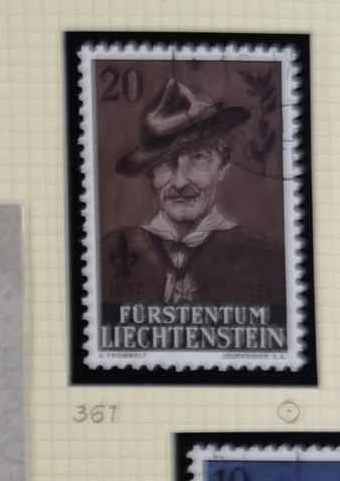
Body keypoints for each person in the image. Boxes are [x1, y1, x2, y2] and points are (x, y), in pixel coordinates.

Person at [99, 75, 288, 323]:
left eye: (198, 157)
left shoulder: (265, 259)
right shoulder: (111, 252)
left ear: (223, 165)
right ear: (149, 175)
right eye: (165, 163)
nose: (180, 182)